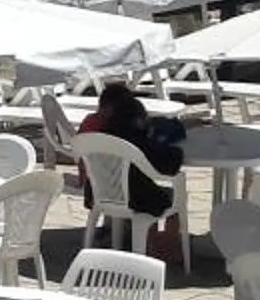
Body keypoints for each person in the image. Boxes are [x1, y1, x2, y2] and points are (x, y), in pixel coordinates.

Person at [78, 82, 185, 221]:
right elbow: (168, 165)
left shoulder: (94, 126)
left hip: (94, 191)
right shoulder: (132, 141)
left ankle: (118, 231)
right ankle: (165, 241)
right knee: (170, 196)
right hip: (131, 196)